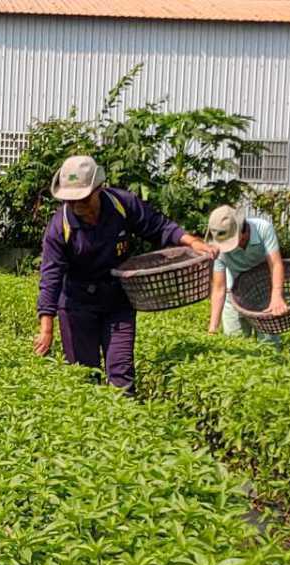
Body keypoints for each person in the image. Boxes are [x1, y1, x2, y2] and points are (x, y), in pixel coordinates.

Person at [34, 155, 217, 394]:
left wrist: (193, 242)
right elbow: (51, 277)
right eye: (70, 200)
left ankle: (122, 421)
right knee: (84, 377)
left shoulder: (121, 204)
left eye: (83, 198)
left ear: (99, 189)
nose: (77, 205)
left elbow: (158, 226)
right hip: (77, 306)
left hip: (118, 301)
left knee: (121, 375)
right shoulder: (60, 228)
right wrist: (46, 329)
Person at [206, 205, 287, 348]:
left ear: (242, 232)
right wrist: (212, 328)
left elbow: (275, 264)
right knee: (235, 347)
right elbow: (219, 288)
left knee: (269, 348)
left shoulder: (263, 229)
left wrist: (277, 296)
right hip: (234, 295)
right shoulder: (217, 245)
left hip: (264, 293)